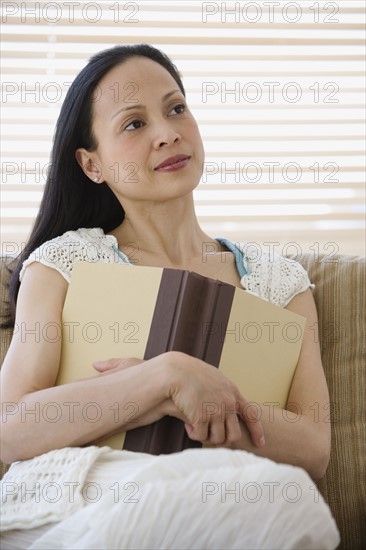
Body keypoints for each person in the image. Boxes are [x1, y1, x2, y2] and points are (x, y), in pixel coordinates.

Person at [0, 44, 339, 549]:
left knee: (288, 497)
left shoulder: (280, 281)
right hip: (79, 493)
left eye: (176, 108)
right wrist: (164, 376)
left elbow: (312, 449)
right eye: (134, 124)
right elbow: (10, 426)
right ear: (91, 164)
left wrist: (191, 400)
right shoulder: (64, 262)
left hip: (230, 497)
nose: (167, 132)